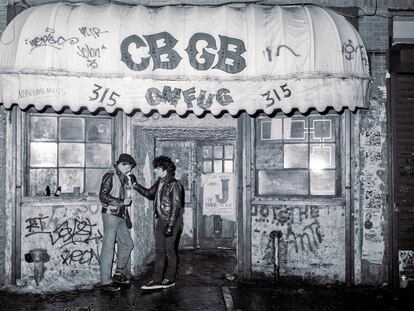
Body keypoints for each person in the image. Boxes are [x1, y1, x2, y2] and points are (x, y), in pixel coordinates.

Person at [130, 155, 184, 290]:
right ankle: (156, 279)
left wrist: (171, 226)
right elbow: (149, 194)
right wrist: (135, 185)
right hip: (161, 220)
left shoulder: (175, 185)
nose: (154, 170)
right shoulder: (160, 182)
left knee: (169, 250)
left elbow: (176, 207)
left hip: (171, 221)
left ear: (164, 169)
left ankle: (170, 278)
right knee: (159, 250)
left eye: (156, 168)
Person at [99, 153, 136, 292]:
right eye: (129, 168)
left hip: (119, 215)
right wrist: (122, 202)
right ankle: (105, 282)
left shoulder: (122, 177)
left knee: (127, 243)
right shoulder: (110, 176)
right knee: (108, 247)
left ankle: (118, 274)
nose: (129, 170)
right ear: (123, 164)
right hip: (110, 214)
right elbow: (103, 197)